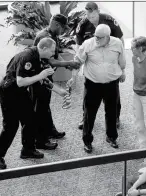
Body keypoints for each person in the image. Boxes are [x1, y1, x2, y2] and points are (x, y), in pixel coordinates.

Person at [0, 38, 62, 169]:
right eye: (52, 50)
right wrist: (41, 75)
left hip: (21, 92)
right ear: (44, 49)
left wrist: (59, 91)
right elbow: (20, 81)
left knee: (30, 119)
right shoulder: (28, 57)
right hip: (9, 91)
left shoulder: (38, 57)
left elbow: (42, 79)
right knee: (11, 125)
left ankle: (28, 150)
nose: (53, 52)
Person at [73, 24, 126, 153]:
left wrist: (122, 71)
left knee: (112, 112)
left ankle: (111, 137)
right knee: (89, 114)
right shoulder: (88, 44)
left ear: (108, 37)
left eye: (100, 37)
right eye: (95, 36)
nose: (96, 39)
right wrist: (73, 77)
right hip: (92, 85)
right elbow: (78, 60)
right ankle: (87, 141)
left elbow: (122, 61)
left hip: (112, 84)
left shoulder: (117, 43)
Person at [32, 14, 80, 150]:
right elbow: (50, 60)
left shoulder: (52, 35)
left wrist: (66, 65)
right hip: (40, 77)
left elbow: (55, 57)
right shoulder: (44, 37)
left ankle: (49, 130)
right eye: (63, 28)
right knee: (40, 108)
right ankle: (40, 141)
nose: (64, 31)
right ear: (57, 25)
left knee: (45, 106)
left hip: (47, 75)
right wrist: (69, 62)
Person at [75, 2, 124, 130]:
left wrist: (121, 68)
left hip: (111, 61)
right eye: (88, 15)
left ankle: (116, 118)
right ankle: (84, 116)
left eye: (92, 15)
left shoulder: (110, 21)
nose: (90, 18)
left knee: (114, 94)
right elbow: (79, 44)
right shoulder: (83, 24)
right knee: (88, 96)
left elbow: (121, 41)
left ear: (98, 11)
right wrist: (79, 62)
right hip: (92, 61)